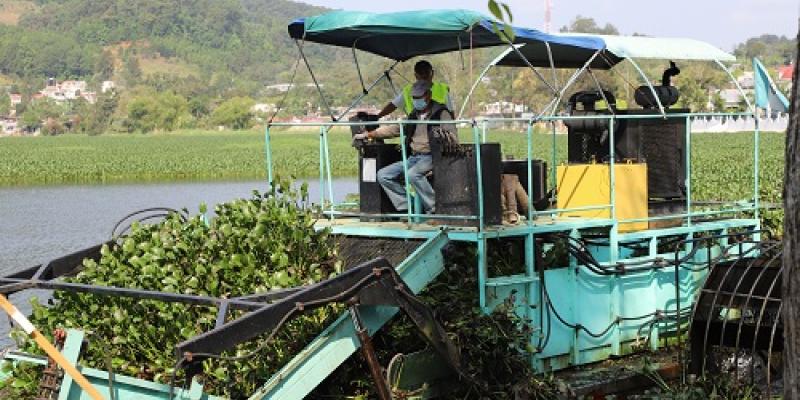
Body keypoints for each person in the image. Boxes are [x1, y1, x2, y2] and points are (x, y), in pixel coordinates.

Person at [354, 80, 456, 214]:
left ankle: (435, 209)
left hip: (433, 156)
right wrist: (369, 134)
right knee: (383, 175)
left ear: (428, 96)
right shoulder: (414, 114)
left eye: (419, 97)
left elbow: (453, 136)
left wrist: (445, 154)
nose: (416, 100)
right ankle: (410, 207)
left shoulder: (441, 113)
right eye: (414, 98)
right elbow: (396, 128)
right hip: (415, 157)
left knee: (413, 174)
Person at [376, 60, 452, 118]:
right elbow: (393, 105)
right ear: (416, 75)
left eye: (426, 72)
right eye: (421, 73)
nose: (424, 75)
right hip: (414, 129)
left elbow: (451, 112)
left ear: (432, 73)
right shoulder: (408, 90)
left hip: (438, 129)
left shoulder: (443, 89)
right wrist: (377, 116)